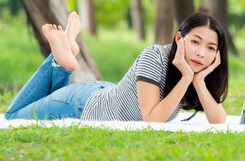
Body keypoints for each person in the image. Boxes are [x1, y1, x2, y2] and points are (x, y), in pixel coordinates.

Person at [5, 11, 228, 124]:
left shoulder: (193, 72)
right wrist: (186, 78)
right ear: (179, 39)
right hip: (80, 105)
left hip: (102, 93)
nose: (201, 53)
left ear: (217, 54)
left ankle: (66, 54)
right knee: (14, 117)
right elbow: (152, 119)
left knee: (46, 99)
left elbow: (218, 121)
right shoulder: (154, 56)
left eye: (210, 48)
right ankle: (62, 61)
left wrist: (198, 81)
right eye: (195, 42)